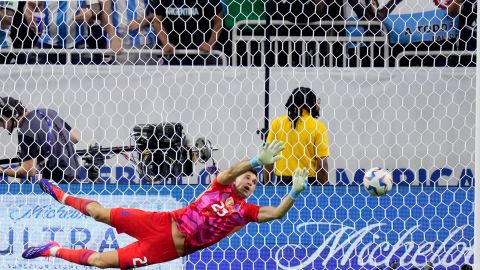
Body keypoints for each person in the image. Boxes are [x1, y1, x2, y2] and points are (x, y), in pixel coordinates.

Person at [22, 140, 310, 269]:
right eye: (247, 178)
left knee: (100, 262)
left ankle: (52, 250)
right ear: (236, 181)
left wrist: (294, 194)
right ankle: (59, 194)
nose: (250, 182)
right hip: (162, 221)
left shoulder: (246, 212)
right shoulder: (220, 185)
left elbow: (276, 213)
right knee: (99, 213)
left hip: (165, 249)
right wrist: (257, 161)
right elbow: (232, 170)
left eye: (255, 182)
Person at [0, 97, 81, 183]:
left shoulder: (26, 131)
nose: (1, 125)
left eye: (1, 120)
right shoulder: (50, 113)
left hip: (56, 182)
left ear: (13, 113)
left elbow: (29, 171)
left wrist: (3, 171)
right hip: (74, 176)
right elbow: (75, 138)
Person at [263, 87, 329, 185]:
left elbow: (268, 157)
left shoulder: (278, 123)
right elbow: (321, 164)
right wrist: (325, 188)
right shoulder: (318, 126)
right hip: (308, 184)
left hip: (282, 183)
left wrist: (267, 184)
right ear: (312, 103)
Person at [24, 0, 101, 64]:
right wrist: (29, 16)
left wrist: (90, 13)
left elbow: (96, 7)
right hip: (47, 42)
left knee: (86, 75)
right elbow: (30, 4)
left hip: (78, 41)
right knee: (35, 73)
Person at [152, 0, 224, 65]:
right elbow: (157, 21)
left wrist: (210, 44)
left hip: (201, 52)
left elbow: (219, 21)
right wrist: (166, 43)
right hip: (172, 52)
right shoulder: (162, 1)